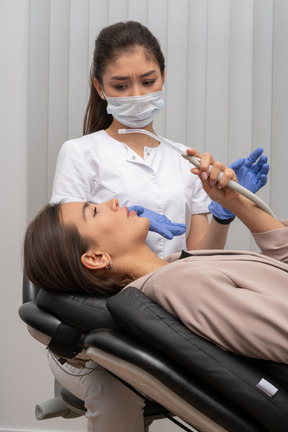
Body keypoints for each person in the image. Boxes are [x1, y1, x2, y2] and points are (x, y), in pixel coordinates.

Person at [44, 20, 271, 432]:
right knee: (116, 386)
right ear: (100, 88)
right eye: (121, 85)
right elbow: (65, 250)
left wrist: (225, 211)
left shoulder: (184, 157)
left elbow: (201, 258)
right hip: (109, 314)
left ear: (163, 77)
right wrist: (134, 215)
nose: (137, 95)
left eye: (148, 81)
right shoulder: (81, 153)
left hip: (175, 305)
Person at [24, 149, 288, 368]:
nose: (113, 202)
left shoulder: (178, 266)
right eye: (94, 211)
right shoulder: (179, 284)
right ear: (96, 258)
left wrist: (236, 202)